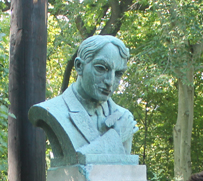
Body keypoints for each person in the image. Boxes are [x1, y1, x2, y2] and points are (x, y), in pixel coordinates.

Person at [29, 35, 138, 167]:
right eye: (101, 68)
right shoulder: (53, 110)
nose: (110, 81)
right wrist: (115, 136)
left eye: (119, 73)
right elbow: (78, 161)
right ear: (79, 66)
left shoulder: (123, 117)